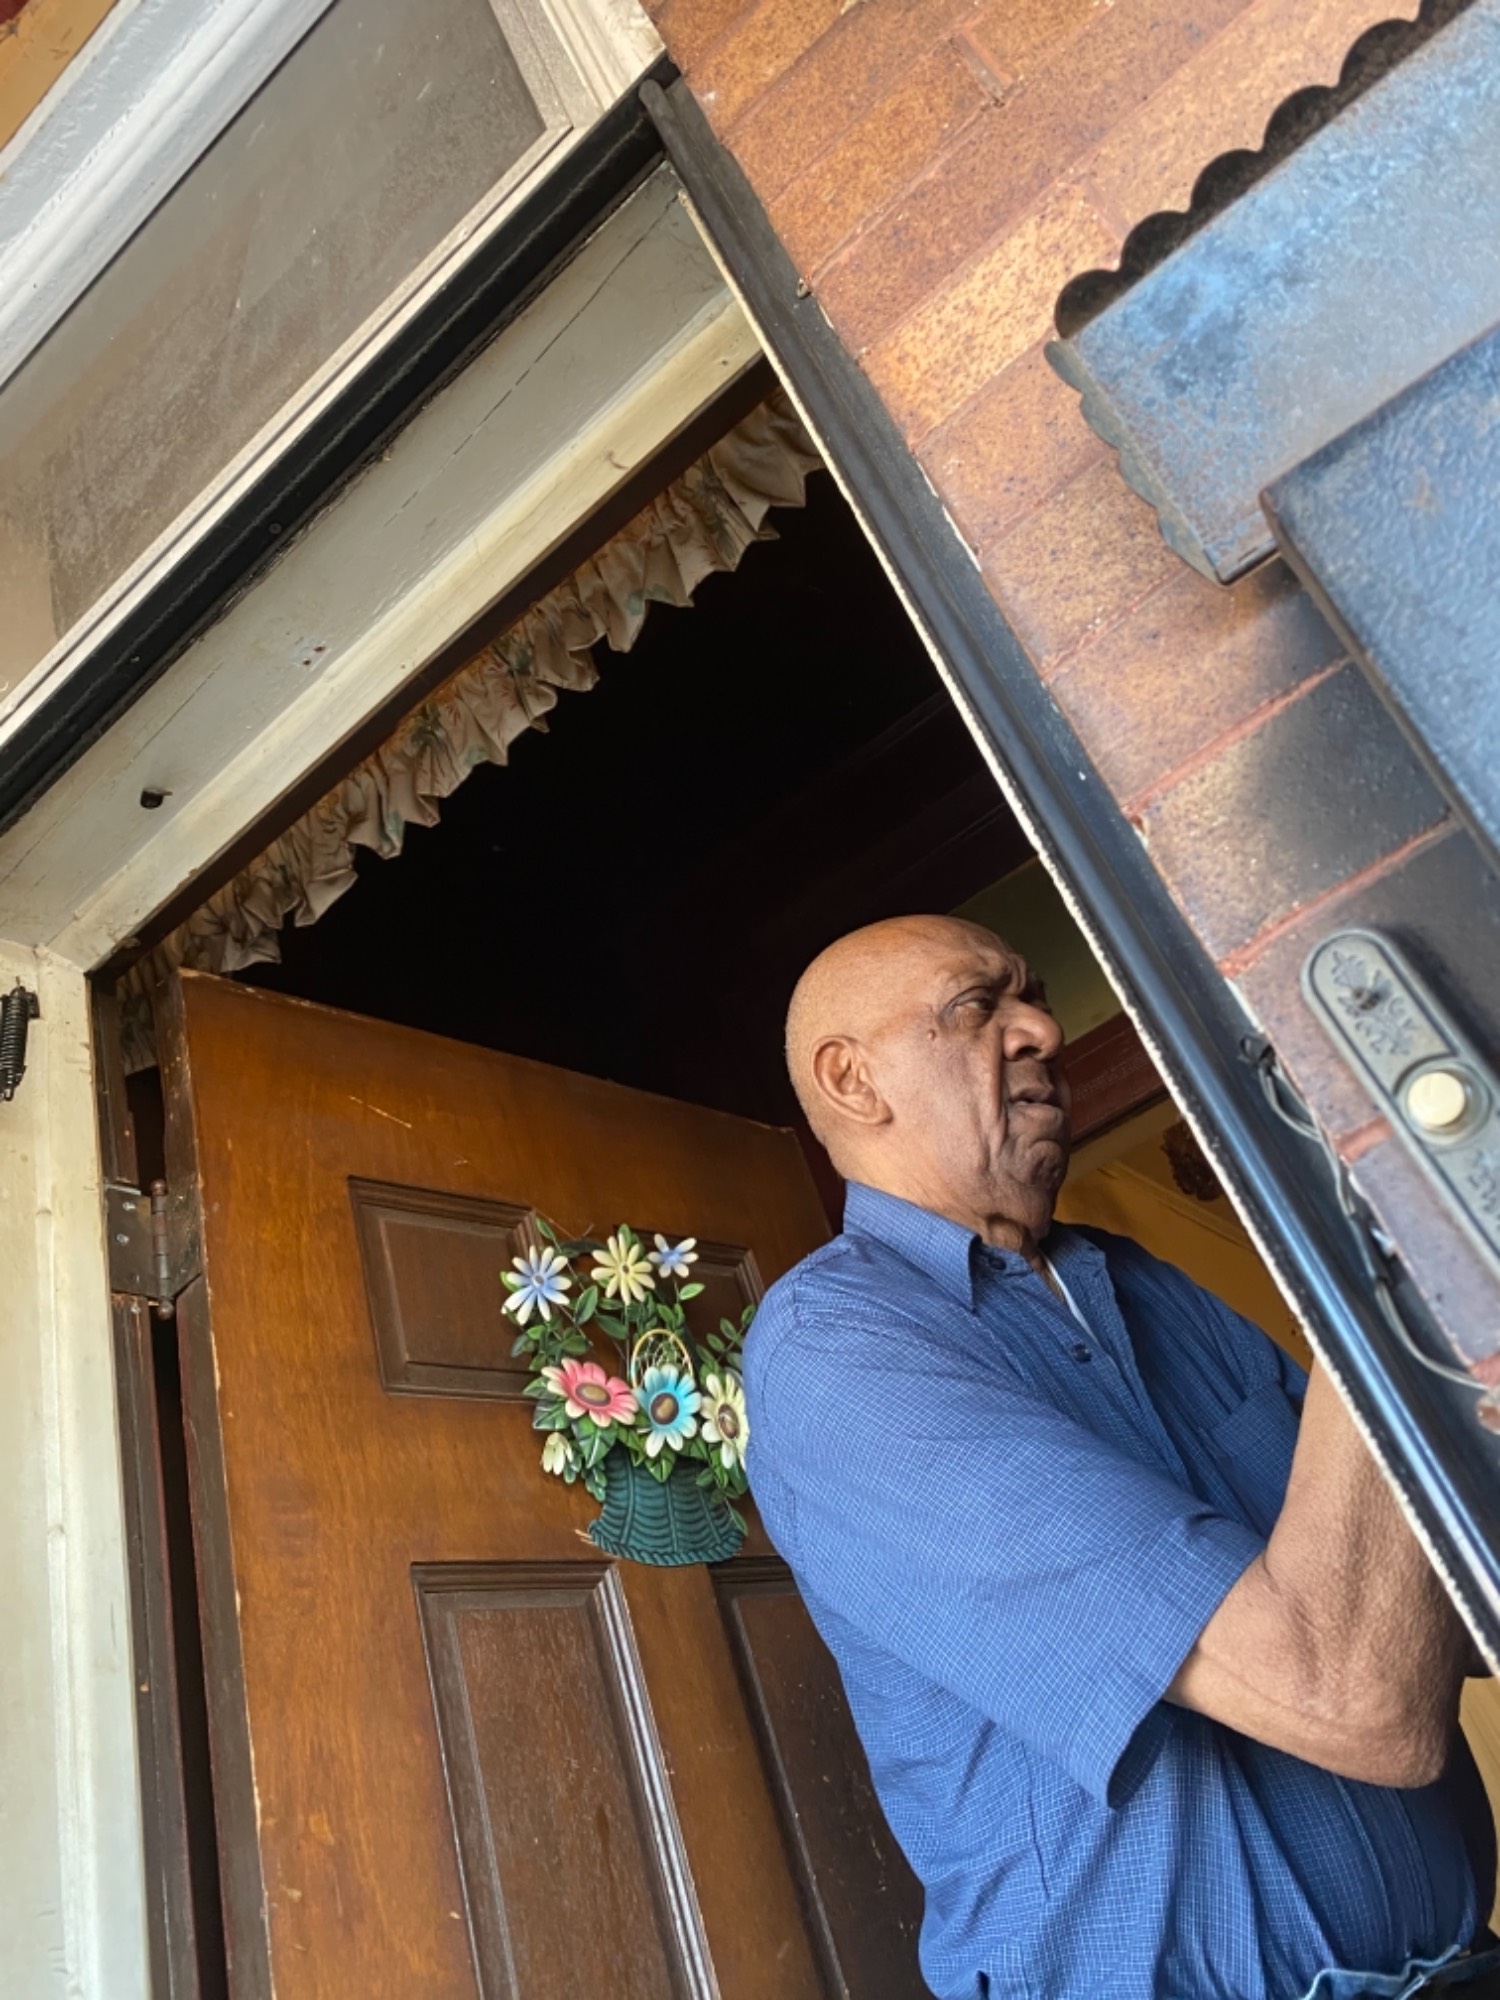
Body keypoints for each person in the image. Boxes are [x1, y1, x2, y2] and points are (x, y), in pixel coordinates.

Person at [743, 914, 1497, 2000]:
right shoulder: (836, 1352)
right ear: (853, 1081)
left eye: (1036, 999)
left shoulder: (1138, 1280)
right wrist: (1387, 1226)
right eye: (978, 1006)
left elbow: (1452, 1602)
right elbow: (1353, 1694)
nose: (1040, 1031)